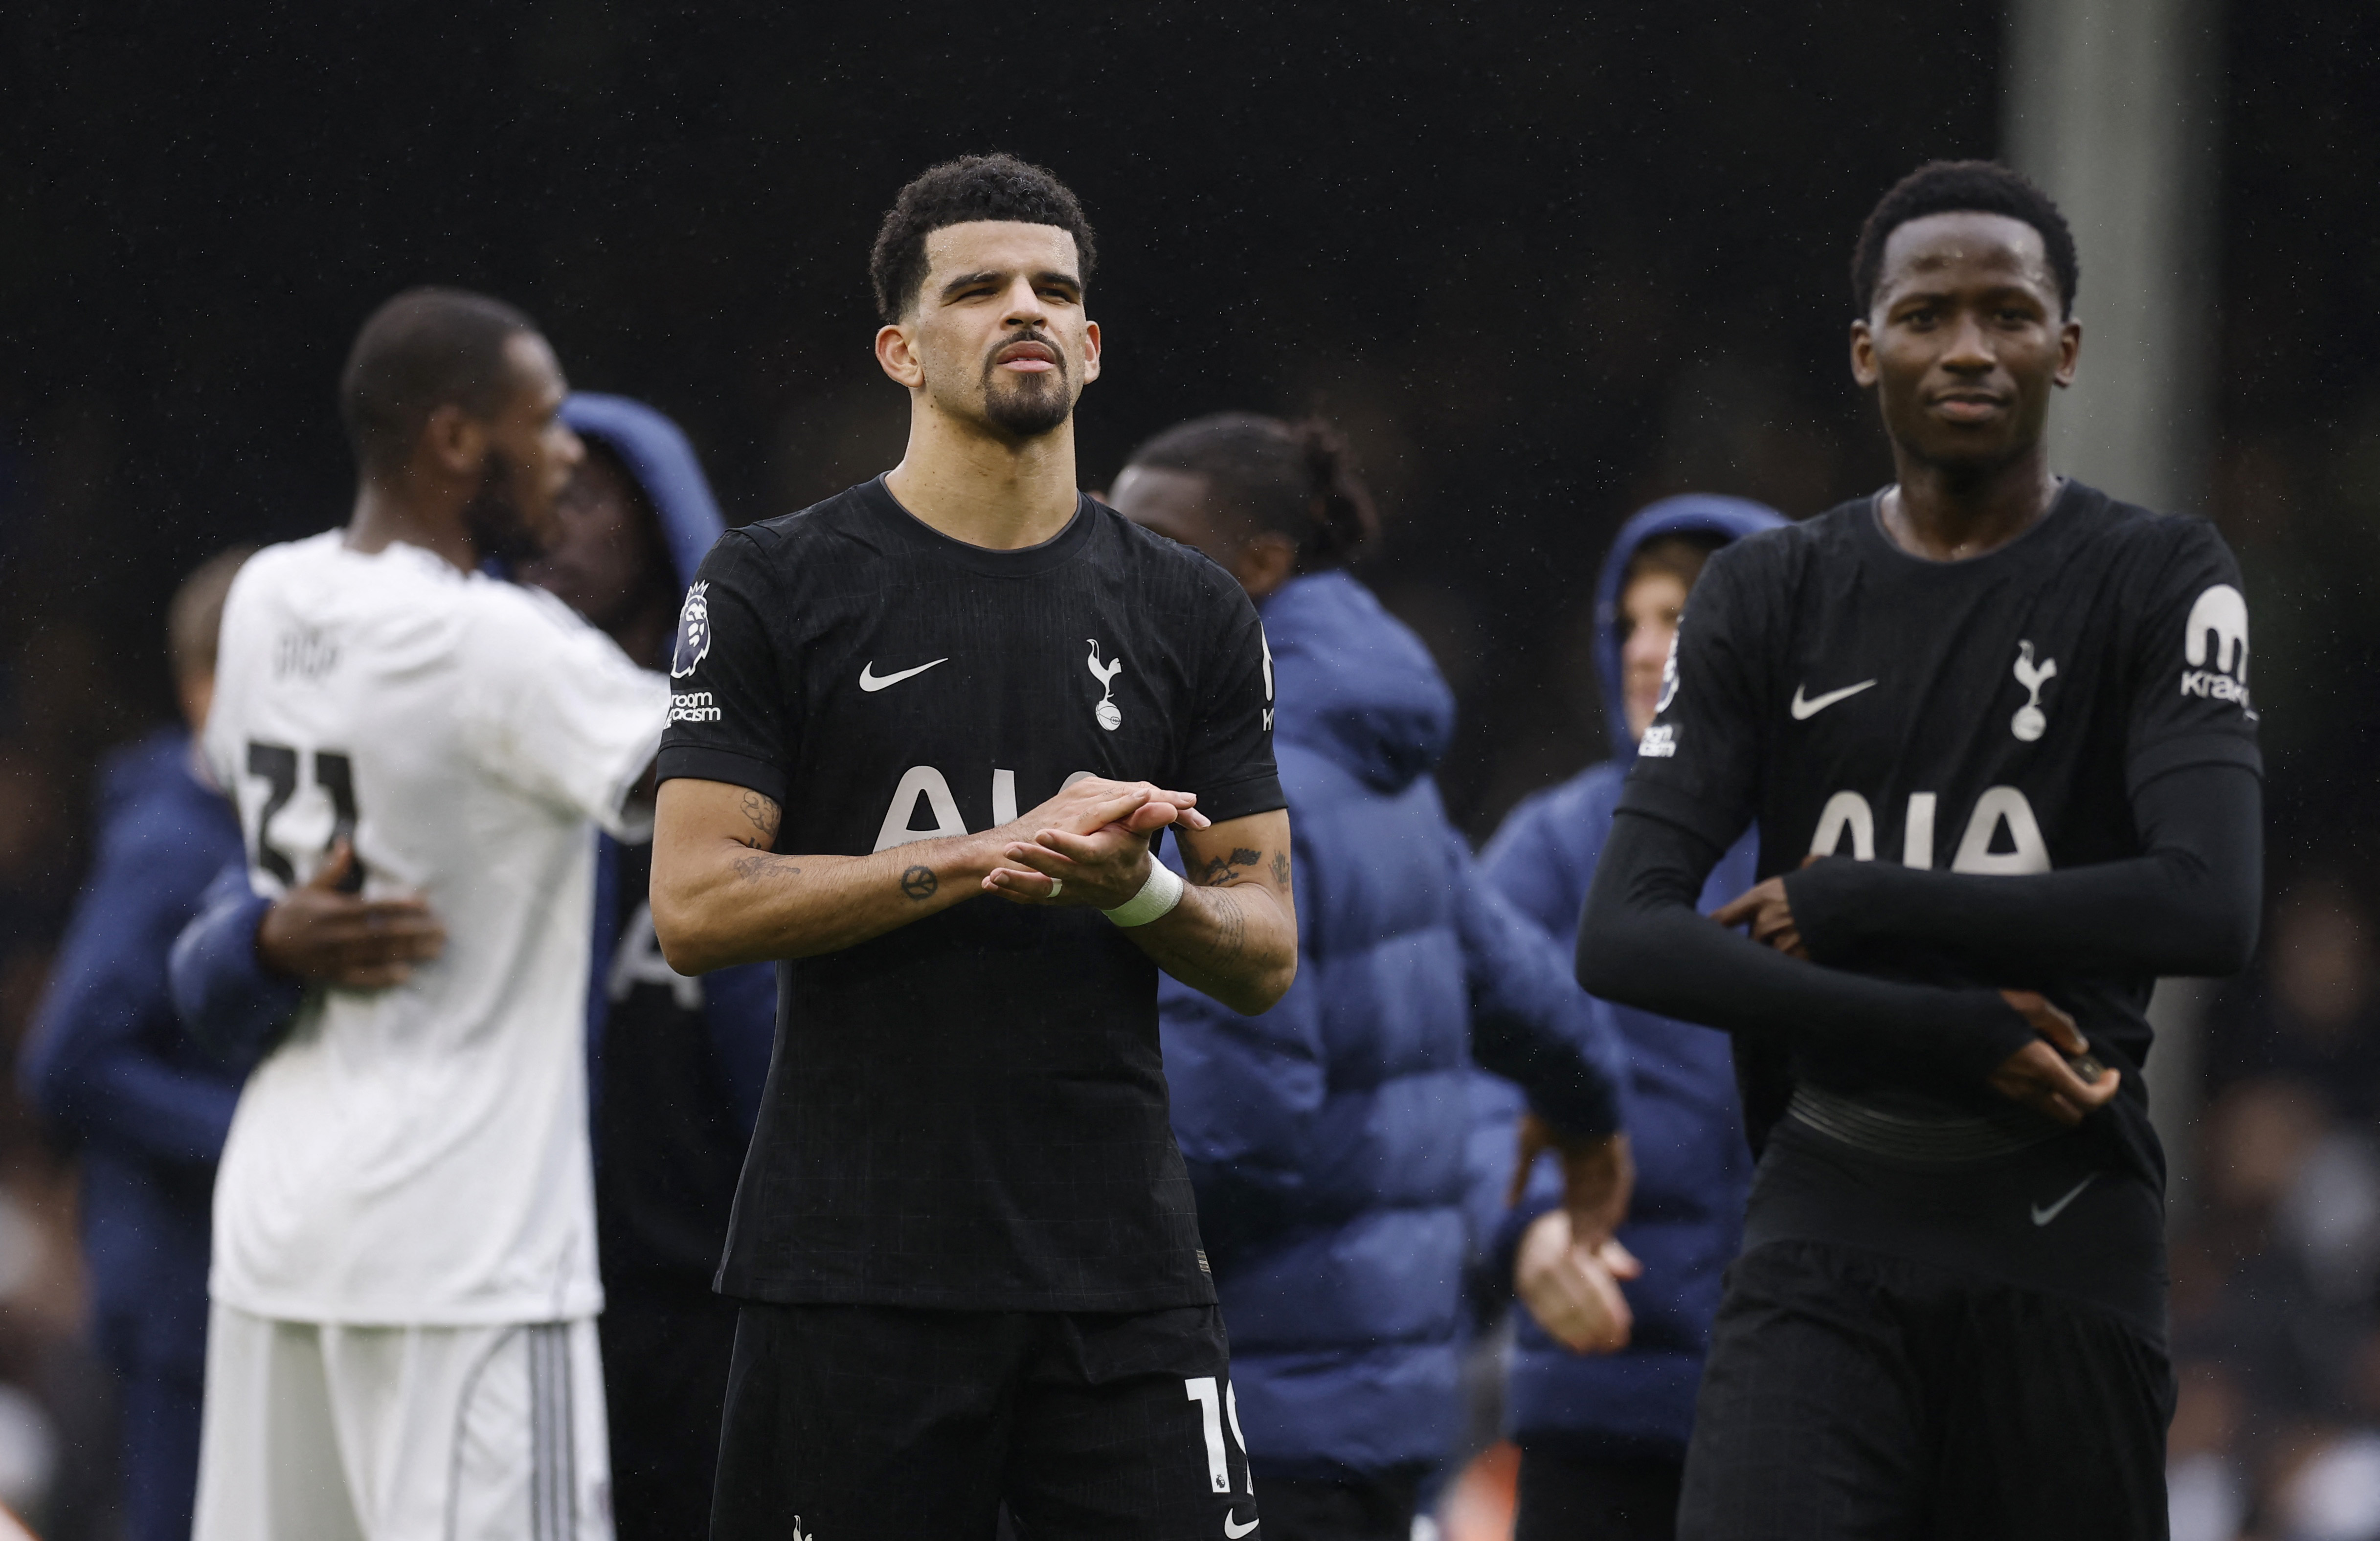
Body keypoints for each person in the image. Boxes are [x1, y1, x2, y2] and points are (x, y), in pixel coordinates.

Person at [1576, 159, 2263, 1539]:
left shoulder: (2162, 576)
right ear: (1863, 348)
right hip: (1827, 1207)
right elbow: (1624, 933)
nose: (1967, 345)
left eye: (2007, 314)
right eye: (1927, 312)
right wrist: (1939, 1030)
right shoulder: (1766, 592)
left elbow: (2211, 906)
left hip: (2066, 1215)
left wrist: (1859, 895)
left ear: (2065, 350)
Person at [650, 154, 1304, 1541]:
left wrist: (1134, 890)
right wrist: (980, 856)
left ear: (1092, 342)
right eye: (981, 288)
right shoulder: (773, 583)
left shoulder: (1190, 609)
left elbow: (1262, 952)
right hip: (855, 1267)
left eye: (1054, 290)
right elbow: (697, 903)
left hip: (1119, 1268)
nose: (1026, 308)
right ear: (900, 347)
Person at [168, 392, 773, 1540]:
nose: (554, 516)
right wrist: (259, 941)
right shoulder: (430, 702)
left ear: (667, 527)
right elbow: (200, 981)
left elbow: (791, 1048)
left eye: (591, 492)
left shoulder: (745, 769)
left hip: (704, 1302)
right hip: (493, 1275)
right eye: (543, 483)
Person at [1107, 414, 1633, 1541]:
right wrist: (1590, 1120)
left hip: (1247, 1405)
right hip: (1384, 1404)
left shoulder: (1234, 785)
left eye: (1153, 537)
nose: (1118, 567)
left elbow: (1237, 1127)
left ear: (1263, 564)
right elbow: (1527, 992)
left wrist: (1066, 1273)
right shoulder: (1373, 767)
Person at [1474, 496, 1783, 1541]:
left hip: (1821, 1402)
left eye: (1685, 618)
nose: (1649, 650)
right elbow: (1447, 1072)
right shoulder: (1554, 845)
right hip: (1600, 1400)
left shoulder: (1844, 841)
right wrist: (1526, 1232)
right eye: (1633, 622)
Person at [17, 549, 263, 1541]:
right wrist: (247, 1131)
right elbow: (63, 1059)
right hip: (173, 1289)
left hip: (235, 1269)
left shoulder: (263, 824)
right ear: (207, 690)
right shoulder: (168, 838)